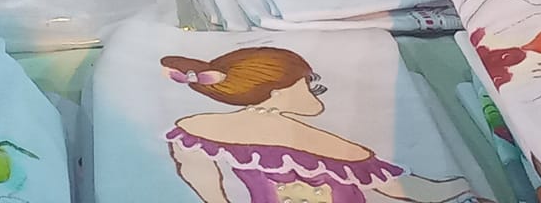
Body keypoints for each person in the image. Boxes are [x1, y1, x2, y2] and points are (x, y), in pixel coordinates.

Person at [160, 47, 478, 202]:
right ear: (278, 91)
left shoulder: (198, 129)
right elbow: (410, 190)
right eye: (309, 82)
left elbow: (200, 176)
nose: (315, 90)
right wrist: (466, 189)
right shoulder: (331, 147)